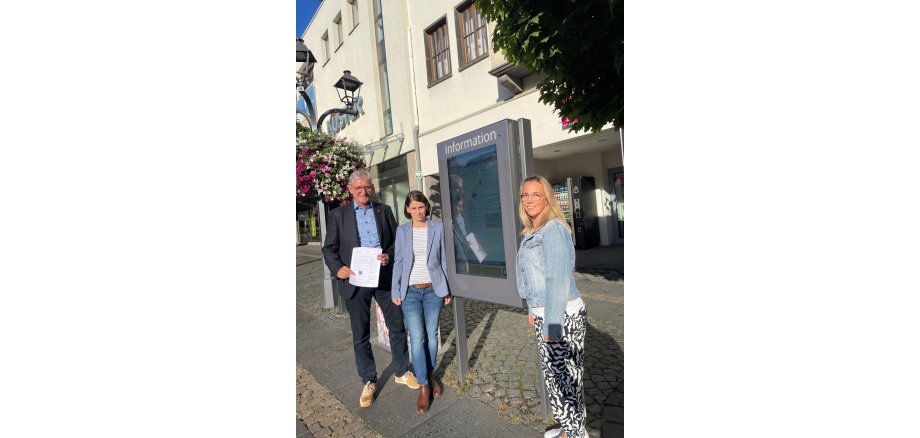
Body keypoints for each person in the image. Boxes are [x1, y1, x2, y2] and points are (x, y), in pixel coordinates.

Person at [322, 170, 419, 408]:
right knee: (360, 335)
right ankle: (368, 380)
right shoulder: (338, 215)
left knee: (397, 325)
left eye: (367, 187)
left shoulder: (383, 211)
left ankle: (400, 371)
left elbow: (397, 241)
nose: (364, 192)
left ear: (372, 189)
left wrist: (389, 255)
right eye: (359, 188)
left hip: (384, 278)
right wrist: (339, 269)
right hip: (355, 281)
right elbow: (329, 249)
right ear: (350, 190)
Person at [515, 175, 588, 438]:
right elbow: (534, 277)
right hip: (546, 312)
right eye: (525, 195)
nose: (529, 200)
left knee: (564, 382)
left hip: (561, 316)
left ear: (547, 198)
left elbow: (557, 279)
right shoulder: (533, 230)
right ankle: (570, 431)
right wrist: (533, 311)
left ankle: (576, 434)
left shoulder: (553, 229)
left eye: (536, 194)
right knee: (560, 380)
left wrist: (552, 324)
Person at [391, 191, 452, 414]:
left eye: (421, 207)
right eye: (413, 208)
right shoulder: (402, 231)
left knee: (432, 337)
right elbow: (398, 261)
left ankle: (429, 373)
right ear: (407, 209)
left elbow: (444, 259)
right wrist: (395, 289)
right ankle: (424, 385)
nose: (417, 211)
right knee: (417, 339)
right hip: (410, 292)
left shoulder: (437, 228)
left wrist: (446, 289)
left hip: (433, 290)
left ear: (426, 207)